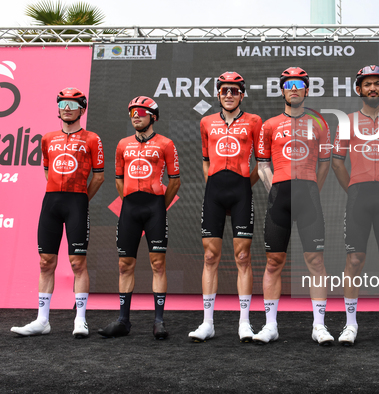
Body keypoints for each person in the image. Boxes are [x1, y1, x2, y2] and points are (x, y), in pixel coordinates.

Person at [11, 87, 104, 338]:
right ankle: (42, 321)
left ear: (82, 109)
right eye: (62, 103)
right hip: (51, 202)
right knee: (45, 262)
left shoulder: (92, 139)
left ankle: (80, 319)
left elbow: (99, 176)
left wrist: (82, 198)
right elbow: (47, 169)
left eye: (72, 104)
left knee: (77, 262)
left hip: (77, 202)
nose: (66, 108)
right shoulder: (48, 138)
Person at [253, 67, 333, 344]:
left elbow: (325, 164)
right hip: (280, 197)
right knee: (274, 262)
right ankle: (270, 325)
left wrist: (311, 188)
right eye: (289, 84)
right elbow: (262, 164)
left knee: (315, 261)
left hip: (308, 195)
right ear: (283, 90)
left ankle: (319, 326)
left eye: (300, 83)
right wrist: (275, 189)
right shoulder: (269, 124)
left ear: (307, 89)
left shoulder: (319, 122)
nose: (294, 88)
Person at [331, 65, 379, 345]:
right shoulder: (347, 121)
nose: (372, 88)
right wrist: (353, 187)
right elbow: (337, 162)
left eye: (377, 83)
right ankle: (350, 324)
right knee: (354, 260)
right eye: (367, 84)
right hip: (358, 197)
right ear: (358, 89)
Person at [98, 96, 180, 339]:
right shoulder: (123, 144)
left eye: (142, 112)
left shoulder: (166, 143)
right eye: (133, 112)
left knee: (157, 264)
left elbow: (174, 181)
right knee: (125, 265)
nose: (136, 115)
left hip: (155, 207)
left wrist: (159, 207)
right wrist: (129, 203)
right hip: (130, 209)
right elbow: (118, 179)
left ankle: (158, 321)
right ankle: (123, 321)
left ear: (153, 116)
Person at [188, 72, 261, 343]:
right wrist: (214, 184)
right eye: (224, 90)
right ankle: (207, 323)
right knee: (210, 257)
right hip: (214, 193)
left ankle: (244, 322)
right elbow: (206, 160)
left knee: (243, 257)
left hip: (241, 190)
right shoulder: (206, 122)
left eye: (234, 90)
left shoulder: (254, 121)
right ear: (218, 94)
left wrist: (244, 186)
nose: (228, 94)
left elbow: (260, 162)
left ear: (242, 94)